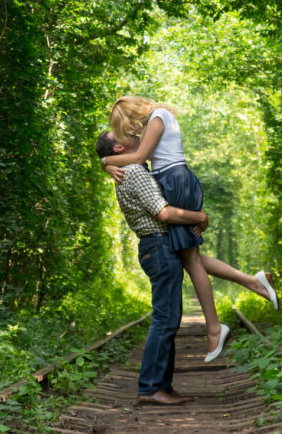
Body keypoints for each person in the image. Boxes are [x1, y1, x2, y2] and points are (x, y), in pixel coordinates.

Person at [99, 96, 278, 363]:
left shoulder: (158, 117)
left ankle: (215, 328)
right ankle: (253, 283)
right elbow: (137, 158)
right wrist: (109, 163)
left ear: (131, 115)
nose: (130, 132)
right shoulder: (155, 121)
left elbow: (137, 157)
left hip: (175, 181)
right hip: (171, 181)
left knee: (191, 260)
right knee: (188, 257)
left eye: (126, 127)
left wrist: (106, 162)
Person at [96, 130, 204, 405]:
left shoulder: (129, 169)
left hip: (155, 248)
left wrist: (106, 164)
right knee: (164, 319)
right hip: (158, 247)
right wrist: (200, 216)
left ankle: (162, 387)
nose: (134, 132)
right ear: (120, 147)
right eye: (125, 133)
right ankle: (150, 388)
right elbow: (163, 213)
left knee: (168, 319)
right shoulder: (134, 171)